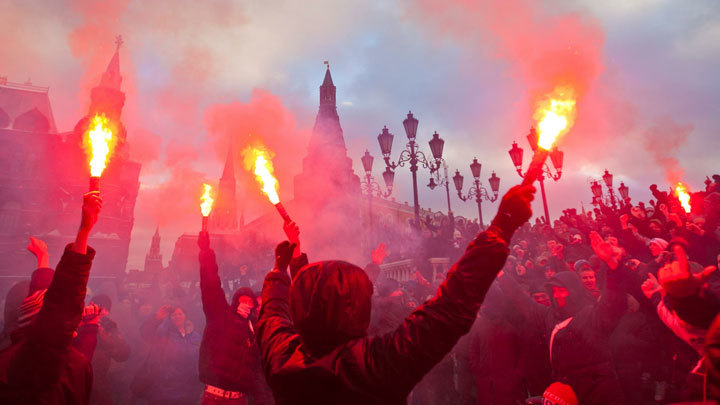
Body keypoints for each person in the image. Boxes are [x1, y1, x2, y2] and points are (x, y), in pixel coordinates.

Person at [257, 184, 535, 404]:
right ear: (356, 310)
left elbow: (273, 310)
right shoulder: (374, 365)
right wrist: (500, 229)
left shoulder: (282, 358)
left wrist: (282, 266)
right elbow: (448, 309)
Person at [0, 191, 102, 403]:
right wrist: (83, 233)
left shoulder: (31, 355)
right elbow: (58, 304)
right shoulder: (32, 364)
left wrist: (43, 260)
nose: (73, 320)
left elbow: (46, 304)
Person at [197, 230, 269, 404]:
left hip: (239, 399)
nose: (247, 306)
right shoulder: (221, 316)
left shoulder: (254, 330)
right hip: (215, 396)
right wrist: (206, 253)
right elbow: (211, 285)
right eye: (243, 301)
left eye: (250, 303)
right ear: (235, 302)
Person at [136, 305, 202, 405]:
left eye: (180, 314)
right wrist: (157, 318)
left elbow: (201, 360)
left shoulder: (195, 336)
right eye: (173, 315)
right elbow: (146, 333)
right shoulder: (163, 333)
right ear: (169, 318)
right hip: (166, 391)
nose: (177, 316)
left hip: (188, 391)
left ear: (185, 316)